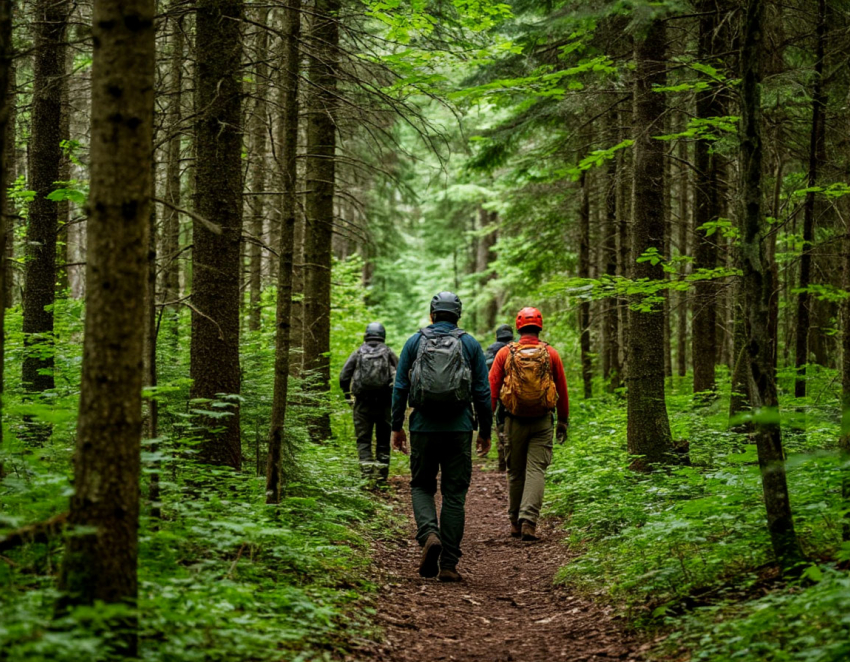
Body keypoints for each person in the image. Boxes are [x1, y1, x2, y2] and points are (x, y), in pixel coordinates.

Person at [391, 292, 492, 582]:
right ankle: (448, 564)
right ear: (457, 314)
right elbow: (482, 392)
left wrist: (396, 426)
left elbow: (400, 387)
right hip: (459, 428)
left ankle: (429, 535)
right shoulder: (469, 343)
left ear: (432, 313)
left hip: (422, 426)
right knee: (454, 495)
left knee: (422, 486)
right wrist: (485, 431)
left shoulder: (414, 341)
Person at [488, 307, 569, 541]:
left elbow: (493, 388)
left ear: (518, 326)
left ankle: (514, 522)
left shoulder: (505, 353)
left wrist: (488, 421)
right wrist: (562, 419)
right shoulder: (550, 353)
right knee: (536, 470)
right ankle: (529, 522)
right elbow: (561, 389)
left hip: (514, 421)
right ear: (539, 326)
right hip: (543, 420)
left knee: (515, 472)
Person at [340, 322, 398, 486]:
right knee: (383, 440)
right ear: (382, 335)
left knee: (363, 441)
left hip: (362, 404)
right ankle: (381, 478)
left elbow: (344, 376)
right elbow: (401, 375)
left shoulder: (358, 352)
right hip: (384, 403)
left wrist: (347, 396)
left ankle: (366, 476)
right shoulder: (388, 352)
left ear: (366, 334)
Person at [485, 324, 514, 472]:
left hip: (499, 392)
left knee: (501, 424)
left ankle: (503, 462)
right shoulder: (517, 348)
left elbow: (485, 369)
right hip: (515, 393)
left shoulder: (492, 348)